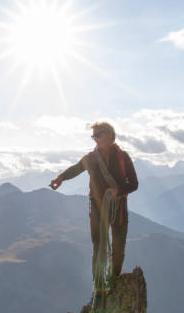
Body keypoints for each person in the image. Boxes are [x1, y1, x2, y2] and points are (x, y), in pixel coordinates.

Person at [50, 122, 138, 289]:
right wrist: (60, 178)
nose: (95, 139)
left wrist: (117, 191)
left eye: (98, 134)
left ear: (110, 135)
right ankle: (98, 287)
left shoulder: (123, 157)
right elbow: (75, 169)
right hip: (97, 207)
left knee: (118, 248)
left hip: (118, 206)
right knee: (98, 247)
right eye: (93, 136)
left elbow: (133, 184)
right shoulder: (91, 158)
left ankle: (112, 281)